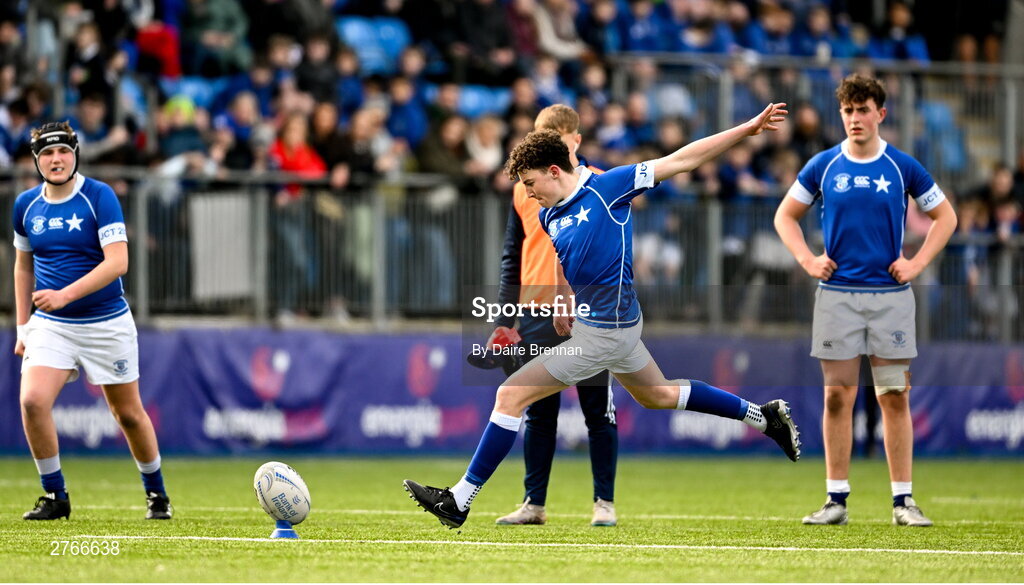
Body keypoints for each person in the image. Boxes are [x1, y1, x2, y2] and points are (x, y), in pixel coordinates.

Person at [405, 102, 800, 529]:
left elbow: (682, 160)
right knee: (659, 395)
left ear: (555, 170)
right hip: (614, 327)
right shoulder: (548, 213)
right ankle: (764, 417)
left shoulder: (609, 186)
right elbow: (568, 260)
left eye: (532, 182)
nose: (529, 192)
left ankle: (459, 500)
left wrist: (746, 128)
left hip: (606, 331)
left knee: (510, 396)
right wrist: (562, 298)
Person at [773, 74, 957, 527]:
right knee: (838, 396)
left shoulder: (902, 167)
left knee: (894, 395)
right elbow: (785, 216)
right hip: (836, 297)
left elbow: (946, 216)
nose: (855, 118)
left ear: (881, 113)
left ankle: (903, 502)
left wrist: (915, 265)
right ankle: (836, 500)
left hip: (891, 298)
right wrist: (807, 259)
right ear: (842, 114)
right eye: (848, 111)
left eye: (863, 109)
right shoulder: (823, 165)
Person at [12, 122, 172, 520]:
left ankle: (156, 494)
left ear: (75, 153)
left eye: (63, 151)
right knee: (32, 401)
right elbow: (22, 266)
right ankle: (55, 497)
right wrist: (21, 327)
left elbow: (119, 261)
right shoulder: (26, 206)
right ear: (36, 160)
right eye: (47, 154)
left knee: (128, 414)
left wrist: (64, 294)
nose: (56, 159)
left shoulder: (99, 196)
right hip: (52, 325)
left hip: (106, 322)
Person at [487, 104, 619, 527]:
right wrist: (506, 318)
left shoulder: (599, 185)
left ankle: (604, 503)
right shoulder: (523, 190)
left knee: (596, 409)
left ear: (574, 141)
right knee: (538, 411)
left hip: (588, 309)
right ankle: (534, 503)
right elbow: (514, 253)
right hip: (535, 309)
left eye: (557, 142)